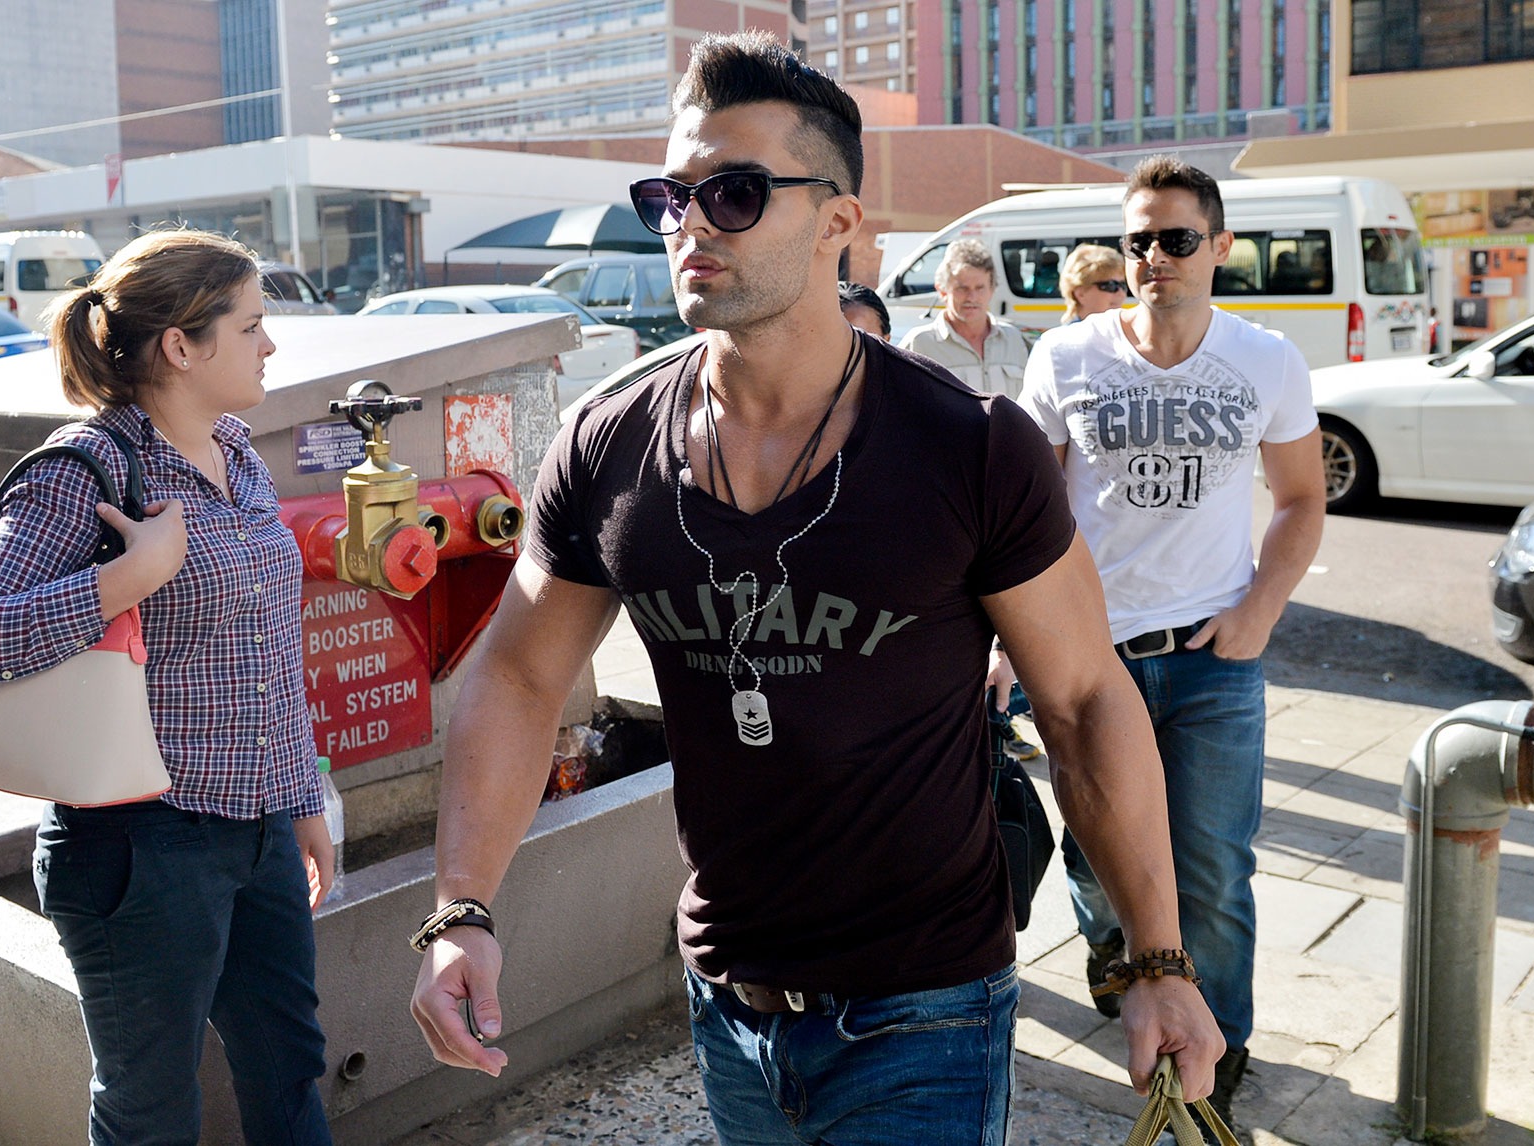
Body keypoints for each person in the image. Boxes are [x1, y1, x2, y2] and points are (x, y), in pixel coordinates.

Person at [410, 32, 1222, 1145]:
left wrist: (1158, 958)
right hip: (726, 996)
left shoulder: (969, 447)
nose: (690, 224)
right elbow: (515, 673)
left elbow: (1084, 701)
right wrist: (463, 906)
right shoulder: (608, 445)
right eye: (670, 196)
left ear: (839, 224)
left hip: (925, 1010)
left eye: (734, 193)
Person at [0, 229, 335, 1145]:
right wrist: (125, 580)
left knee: (291, 1072)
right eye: (251, 326)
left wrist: (300, 798)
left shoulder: (234, 451)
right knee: (149, 1111)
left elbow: (270, 646)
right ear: (180, 347)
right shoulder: (87, 469)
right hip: (139, 846)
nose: (271, 345)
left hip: (260, 830)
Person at [1019, 154, 1326, 1133]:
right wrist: (1013, 639)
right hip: (1085, 662)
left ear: (1221, 248)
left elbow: (1303, 500)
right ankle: (1130, 984)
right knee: (1095, 858)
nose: (1154, 257)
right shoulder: (1065, 359)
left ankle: (1218, 1044)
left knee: (1213, 867)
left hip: (1211, 660)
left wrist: (1260, 609)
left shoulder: (1267, 360)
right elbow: (1027, 516)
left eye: (1177, 239)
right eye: (1138, 240)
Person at [897, 237, 1028, 396]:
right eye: (962, 288)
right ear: (942, 291)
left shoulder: (1014, 340)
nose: (971, 297)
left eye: (980, 288)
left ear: (992, 289)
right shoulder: (919, 344)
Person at [1059, 244, 1129, 323]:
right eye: (1110, 286)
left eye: (1123, 285)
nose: (1121, 294)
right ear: (1080, 294)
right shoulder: (1068, 335)